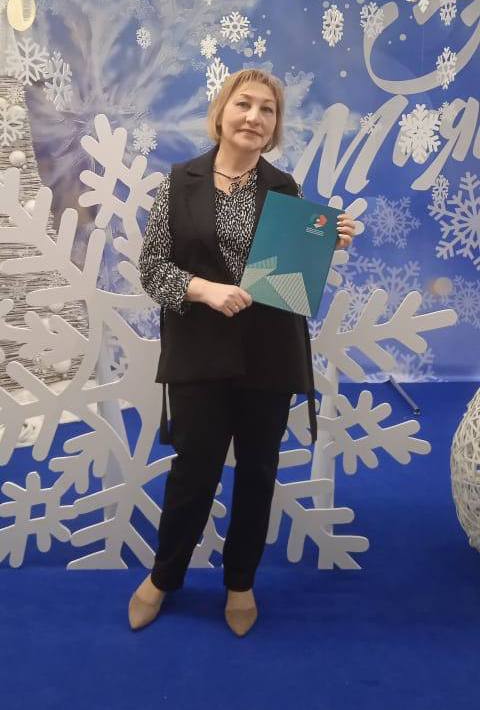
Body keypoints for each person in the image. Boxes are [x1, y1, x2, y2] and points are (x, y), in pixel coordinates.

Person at [128, 69, 356, 636]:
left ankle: (240, 582)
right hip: (199, 356)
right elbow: (152, 268)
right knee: (193, 473)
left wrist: (326, 243)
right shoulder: (179, 182)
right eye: (244, 104)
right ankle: (164, 576)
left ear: (275, 126)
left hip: (269, 355)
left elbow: (289, 275)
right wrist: (204, 290)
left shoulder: (284, 189)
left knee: (257, 472)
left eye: (267, 110)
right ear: (222, 112)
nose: (254, 117)